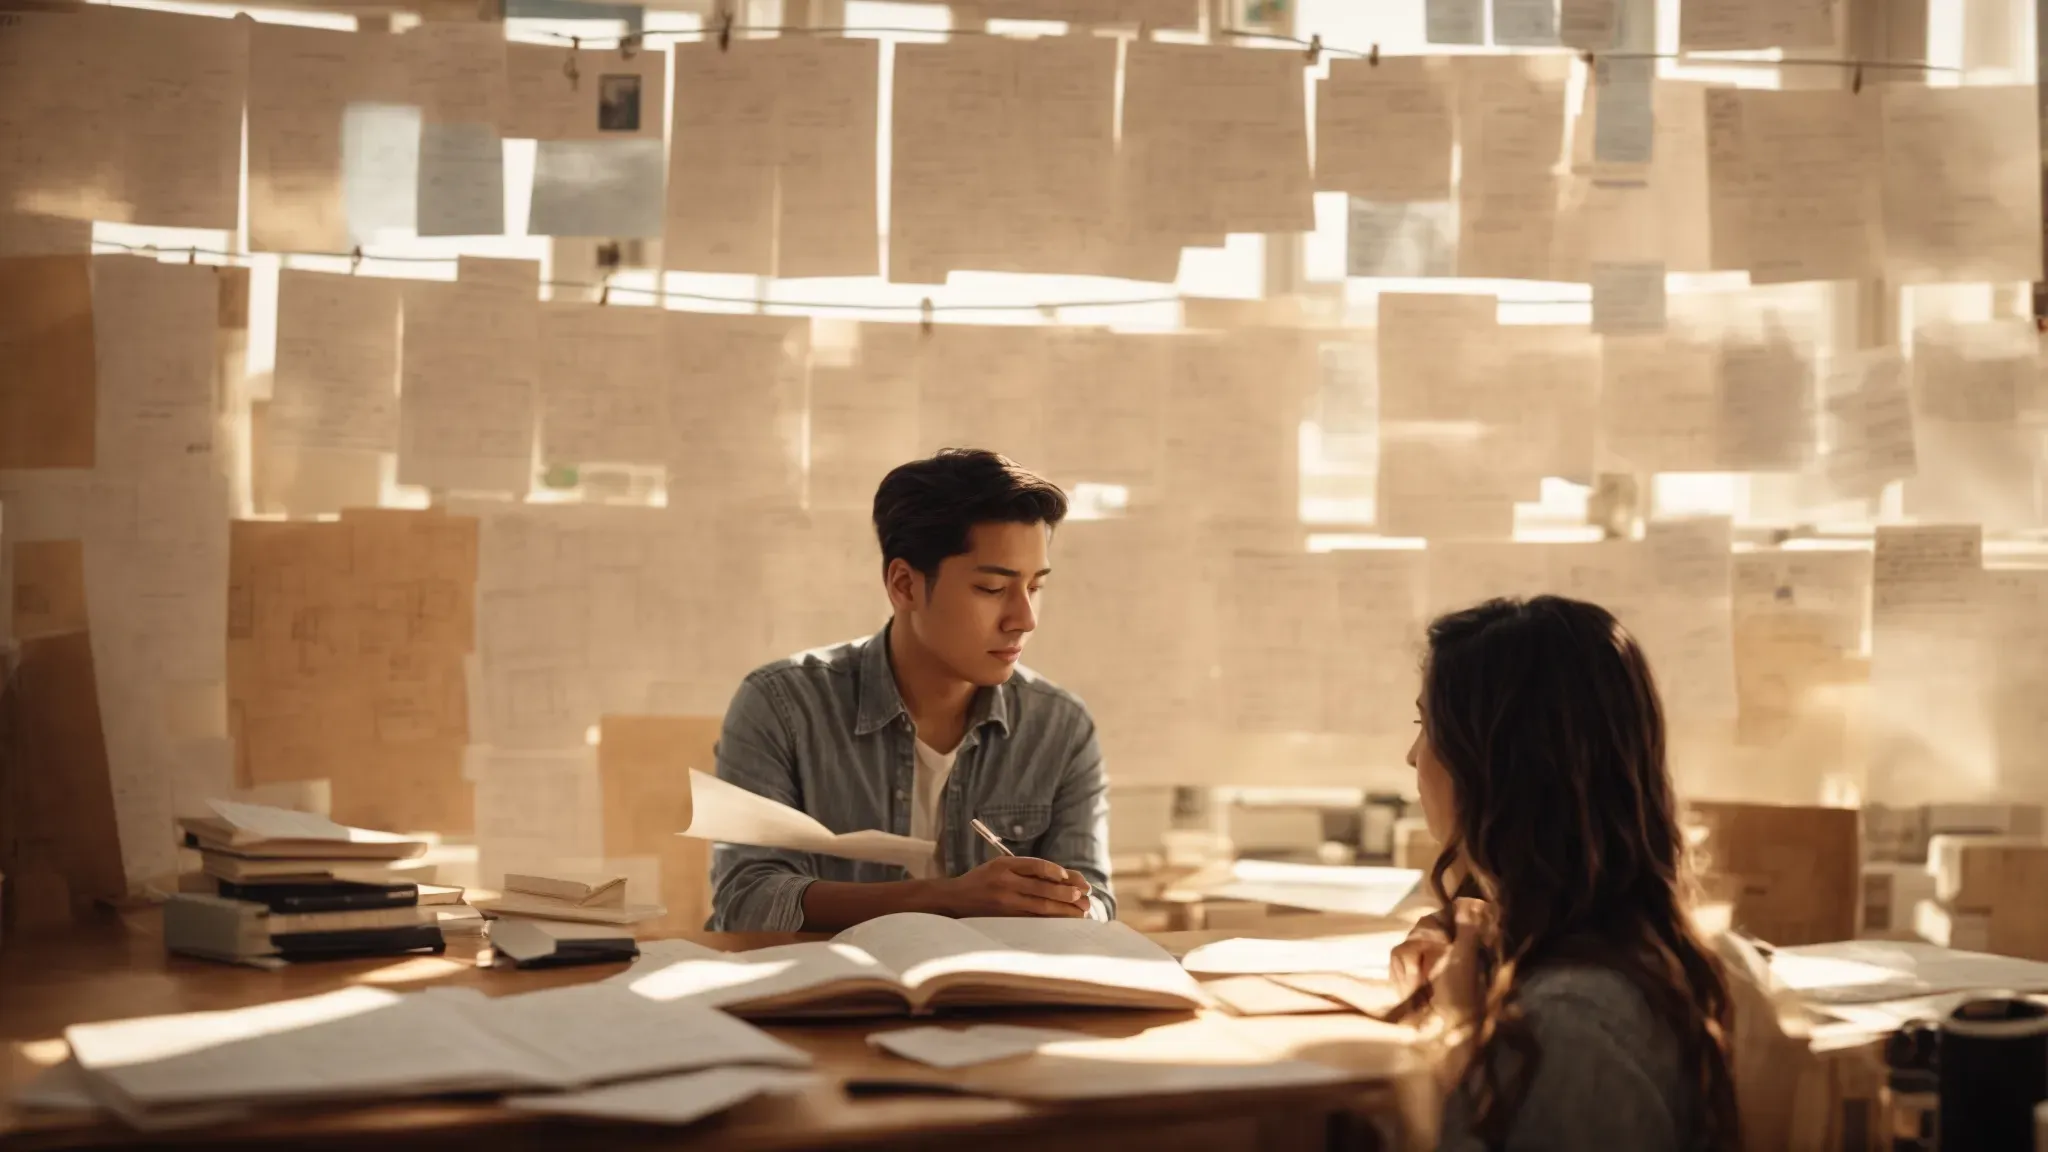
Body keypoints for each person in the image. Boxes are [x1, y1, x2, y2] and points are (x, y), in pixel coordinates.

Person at [707, 449, 1112, 932]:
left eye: (1035, 587)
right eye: (990, 588)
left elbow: (1096, 898)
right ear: (904, 585)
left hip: (995, 1000)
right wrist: (948, 899)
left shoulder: (1059, 725)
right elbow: (746, 900)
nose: (1023, 619)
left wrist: (1073, 904)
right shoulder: (781, 705)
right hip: (825, 998)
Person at [1390, 596, 1740, 1151]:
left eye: (1427, 724)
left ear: (1498, 767)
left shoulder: (1563, 1032)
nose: (1413, 756)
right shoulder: (1653, 950)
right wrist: (1473, 933)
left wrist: (1461, 1037)